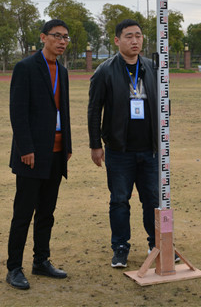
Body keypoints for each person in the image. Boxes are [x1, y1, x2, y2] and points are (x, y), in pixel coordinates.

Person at [87, 19, 160, 268]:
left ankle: (157, 244)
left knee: (153, 200)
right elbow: (94, 110)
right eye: (129, 36)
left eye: (138, 36)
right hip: (119, 150)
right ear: (117, 40)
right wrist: (95, 144)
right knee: (119, 200)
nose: (135, 41)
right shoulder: (105, 71)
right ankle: (120, 247)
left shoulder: (153, 68)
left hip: (150, 150)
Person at [6, 19, 72, 290]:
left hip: (56, 153)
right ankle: (14, 268)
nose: (62, 41)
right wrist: (26, 148)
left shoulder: (63, 71)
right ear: (43, 38)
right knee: (23, 213)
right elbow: (17, 111)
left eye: (65, 37)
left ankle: (41, 261)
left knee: (47, 212)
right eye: (57, 36)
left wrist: (67, 145)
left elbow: (63, 110)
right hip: (32, 154)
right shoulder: (26, 68)